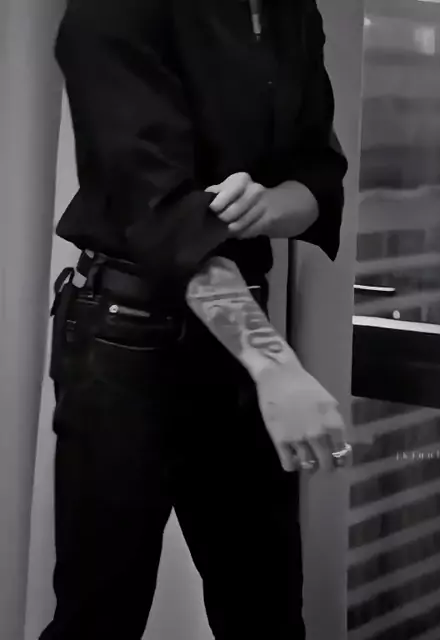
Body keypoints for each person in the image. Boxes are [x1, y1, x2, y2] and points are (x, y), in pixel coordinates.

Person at [41, 0, 350, 638]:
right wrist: (273, 363)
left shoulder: (294, 12)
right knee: (99, 616)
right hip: (126, 336)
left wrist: (267, 206)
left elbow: (319, 175)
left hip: (234, 335)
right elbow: (160, 216)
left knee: (266, 611)